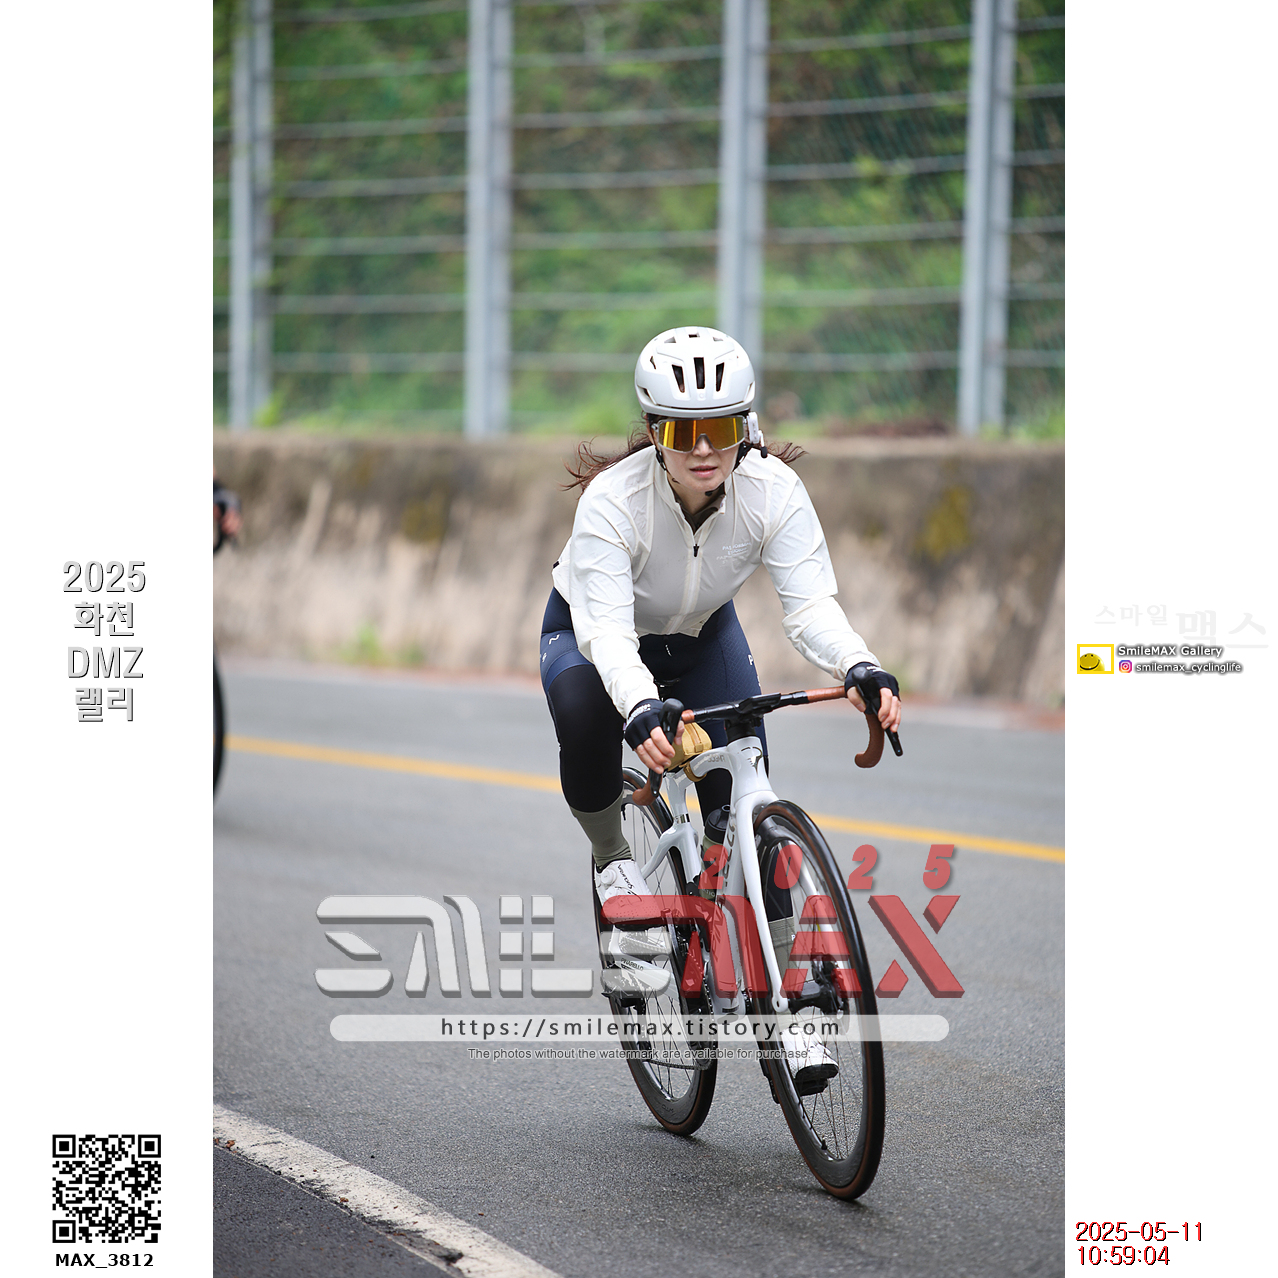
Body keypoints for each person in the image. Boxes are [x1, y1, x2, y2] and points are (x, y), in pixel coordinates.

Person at [540, 327, 902, 1085]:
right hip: (595, 637)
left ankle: (795, 1012)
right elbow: (608, 635)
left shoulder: (773, 491)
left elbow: (812, 607)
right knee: (582, 715)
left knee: (744, 808)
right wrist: (641, 708)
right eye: (684, 433)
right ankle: (614, 863)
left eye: (723, 429)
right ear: (654, 431)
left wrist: (859, 664)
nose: (705, 450)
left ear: (746, 425)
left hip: (703, 641)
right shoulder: (613, 503)